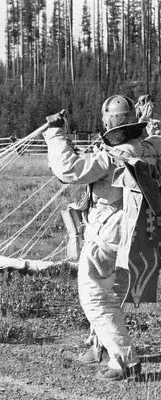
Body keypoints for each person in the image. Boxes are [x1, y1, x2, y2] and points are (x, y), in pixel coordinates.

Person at [42, 94, 161, 381]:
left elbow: (68, 169)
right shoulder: (152, 147)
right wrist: (149, 119)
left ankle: (124, 360)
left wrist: (56, 133)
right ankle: (100, 347)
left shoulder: (112, 156)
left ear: (109, 122)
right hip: (138, 237)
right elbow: (156, 134)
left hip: (108, 236)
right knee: (111, 293)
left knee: (95, 297)